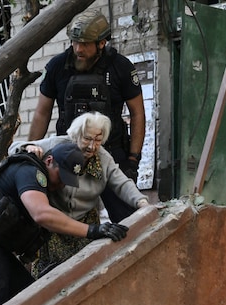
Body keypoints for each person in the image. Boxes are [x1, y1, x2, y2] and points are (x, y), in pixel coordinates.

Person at [0, 142, 129, 305]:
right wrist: (93, 230)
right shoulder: (30, 171)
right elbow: (41, 214)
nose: (62, 185)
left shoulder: (40, 176)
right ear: (49, 161)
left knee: (25, 302)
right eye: (61, 176)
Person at [28, 9, 146, 223]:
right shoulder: (57, 66)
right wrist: (31, 151)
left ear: (101, 43)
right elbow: (41, 113)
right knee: (66, 222)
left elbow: (138, 114)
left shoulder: (121, 67)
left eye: (84, 43)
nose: (78, 49)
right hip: (68, 156)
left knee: (129, 221)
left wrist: (133, 160)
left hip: (111, 156)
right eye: (74, 42)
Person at [10, 112, 149, 278]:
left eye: (98, 140)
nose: (92, 146)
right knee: (53, 276)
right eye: (87, 139)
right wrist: (28, 148)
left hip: (86, 222)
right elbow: (14, 148)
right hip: (55, 224)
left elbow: (122, 183)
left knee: (88, 273)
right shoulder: (58, 145)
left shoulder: (103, 158)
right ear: (76, 135)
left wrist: (142, 202)